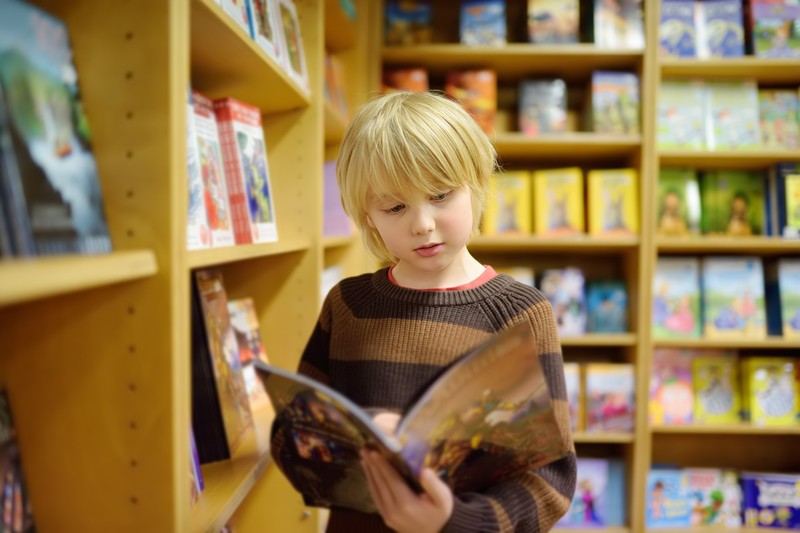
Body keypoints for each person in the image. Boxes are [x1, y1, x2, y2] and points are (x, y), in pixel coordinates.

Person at [270, 91, 576, 532]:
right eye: (395, 206)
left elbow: (550, 480)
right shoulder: (348, 305)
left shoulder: (520, 313)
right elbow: (292, 436)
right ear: (368, 217)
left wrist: (453, 520)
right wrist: (368, 432)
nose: (422, 224)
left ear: (475, 185)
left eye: (440, 195)